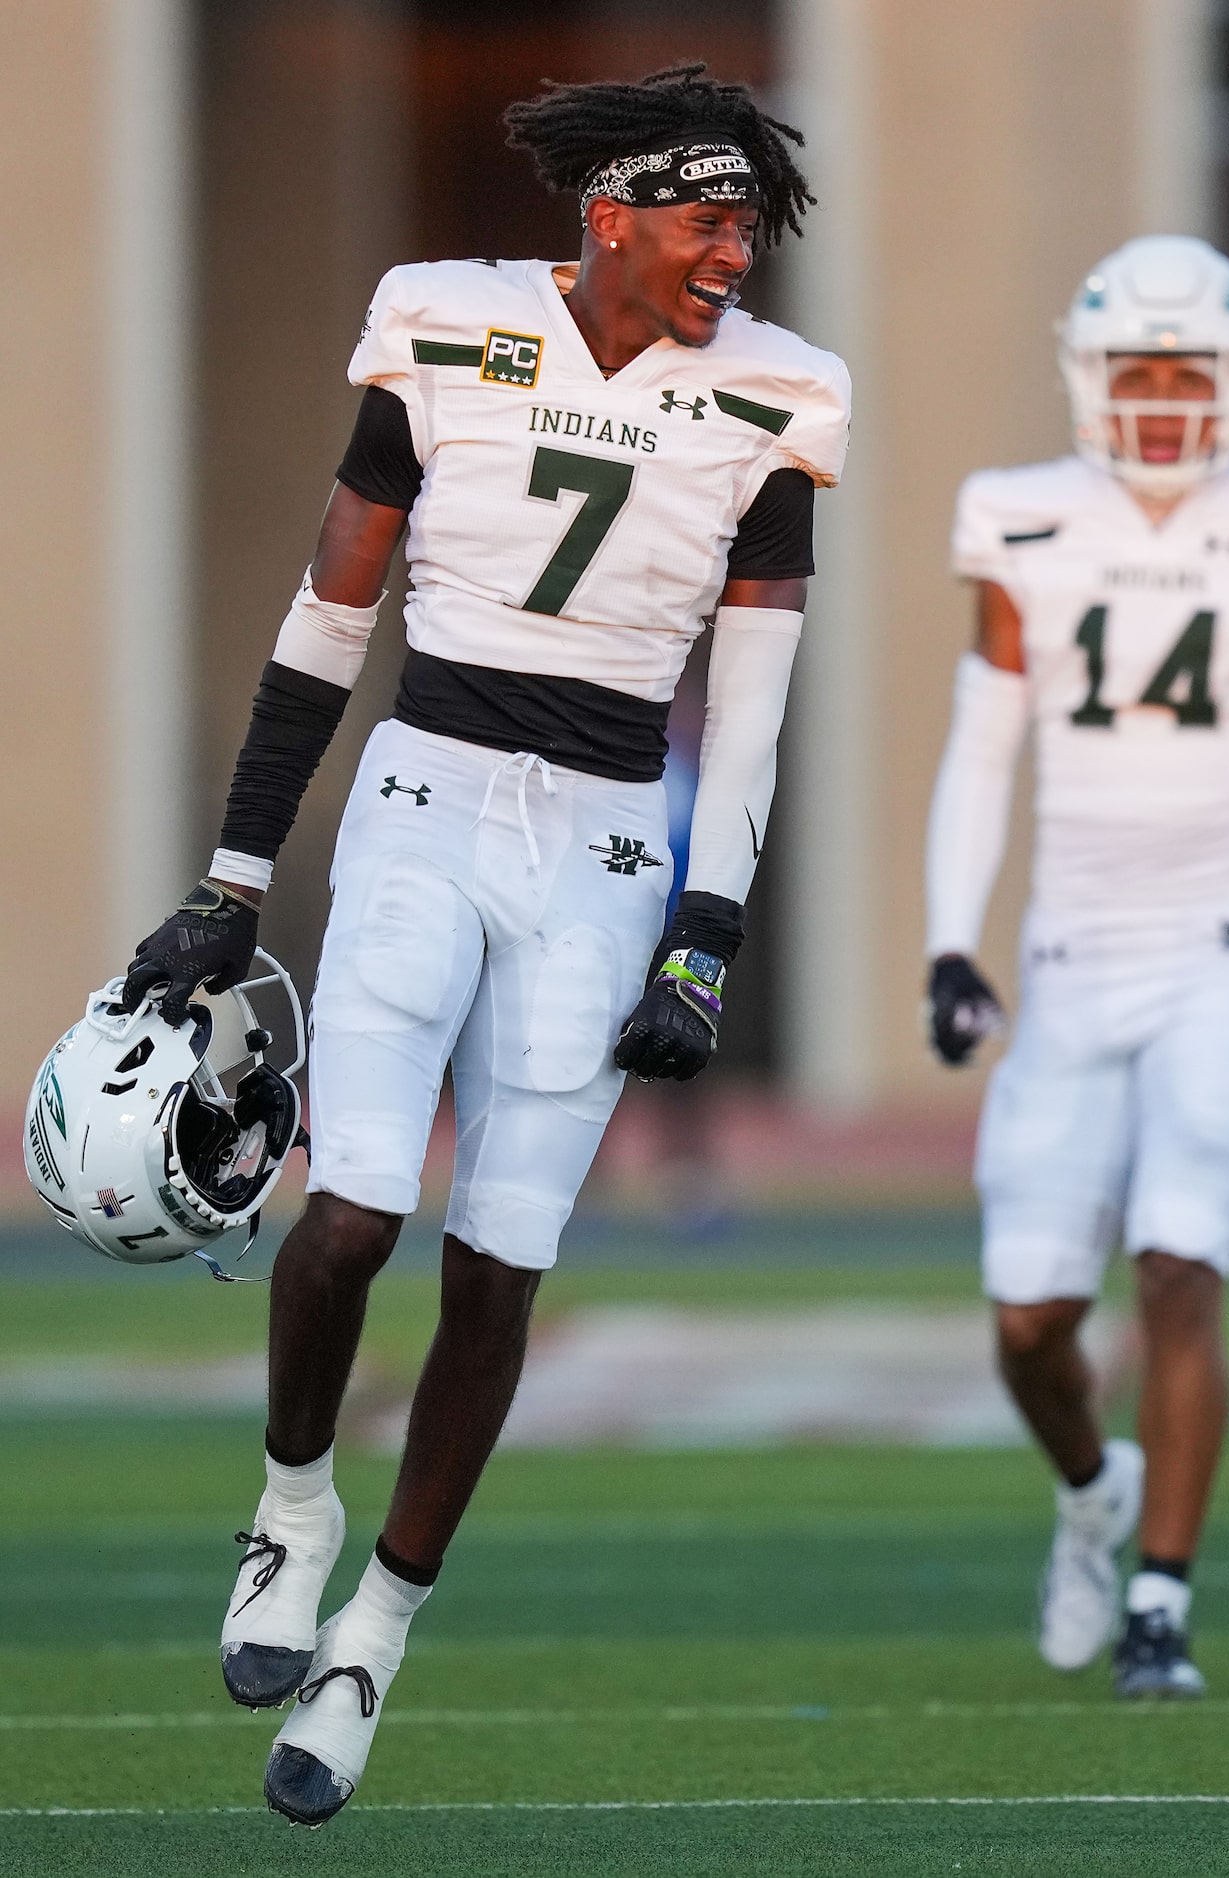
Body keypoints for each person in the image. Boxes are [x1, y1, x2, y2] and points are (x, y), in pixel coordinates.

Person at [123, 64, 849, 1825]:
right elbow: (327, 616)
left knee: (497, 1263)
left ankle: (379, 1628)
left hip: (605, 840)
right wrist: (232, 876)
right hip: (426, 795)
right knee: (349, 1217)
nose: (731, 249)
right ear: (607, 215)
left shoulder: (779, 392)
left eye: (748, 220)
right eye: (702, 215)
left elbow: (747, 716)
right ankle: (294, 1507)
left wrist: (705, 934)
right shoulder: (445, 323)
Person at [923, 236, 1229, 1698]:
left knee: (1182, 1267)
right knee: (1025, 1318)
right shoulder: (1020, 517)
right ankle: (1088, 1494)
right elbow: (981, 746)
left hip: (1219, 947)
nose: (1166, 399)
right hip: (1068, 948)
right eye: (1141, 369)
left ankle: (1162, 1603)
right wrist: (948, 940)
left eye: (1191, 371)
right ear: (1089, 375)